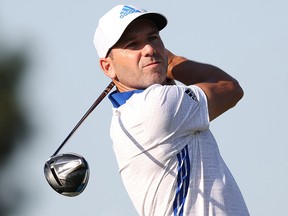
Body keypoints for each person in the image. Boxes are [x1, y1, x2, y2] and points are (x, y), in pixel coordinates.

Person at [93, 4, 249, 216]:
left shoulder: (129, 112)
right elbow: (229, 88)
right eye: (133, 45)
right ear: (108, 67)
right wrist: (171, 62)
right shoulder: (155, 105)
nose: (149, 49)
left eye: (153, 38)